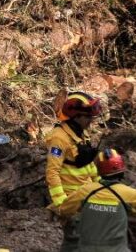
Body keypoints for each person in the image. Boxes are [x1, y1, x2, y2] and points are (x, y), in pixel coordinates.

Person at [46, 90, 103, 251]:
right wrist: (62, 204)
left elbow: (87, 164)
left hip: (88, 196)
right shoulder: (59, 138)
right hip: (71, 200)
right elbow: (52, 173)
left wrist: (100, 186)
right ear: (76, 116)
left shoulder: (80, 133)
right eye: (88, 117)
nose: (91, 121)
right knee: (74, 242)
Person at [59, 148, 136, 251]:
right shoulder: (128, 194)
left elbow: (64, 209)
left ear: (99, 170)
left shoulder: (86, 191)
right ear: (121, 170)